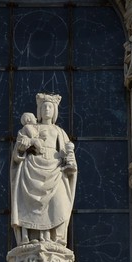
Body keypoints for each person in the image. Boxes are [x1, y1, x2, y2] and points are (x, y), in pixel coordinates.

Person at [10, 94, 77, 244]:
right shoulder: (30, 128)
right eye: (44, 107)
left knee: (58, 202)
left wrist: (70, 162)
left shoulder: (59, 132)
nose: (47, 109)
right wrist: (27, 144)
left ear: (55, 112)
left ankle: (55, 238)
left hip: (55, 170)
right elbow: (17, 153)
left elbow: (67, 152)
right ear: (39, 111)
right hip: (32, 167)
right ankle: (33, 237)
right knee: (31, 204)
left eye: (50, 107)